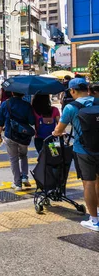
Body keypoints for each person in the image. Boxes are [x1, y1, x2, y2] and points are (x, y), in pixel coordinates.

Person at [52, 78, 99, 232]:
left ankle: (94, 220)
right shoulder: (97, 101)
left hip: (83, 150)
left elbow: (59, 130)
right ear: (87, 88)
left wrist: (56, 132)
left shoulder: (71, 108)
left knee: (89, 183)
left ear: (72, 91)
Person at [0, 92, 36, 191]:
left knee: (13, 159)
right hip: (23, 136)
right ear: (23, 94)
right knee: (23, 156)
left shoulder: (5, 104)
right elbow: (32, 121)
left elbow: (0, 121)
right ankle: (25, 177)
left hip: (10, 135)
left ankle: (17, 184)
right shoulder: (27, 105)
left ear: (12, 92)